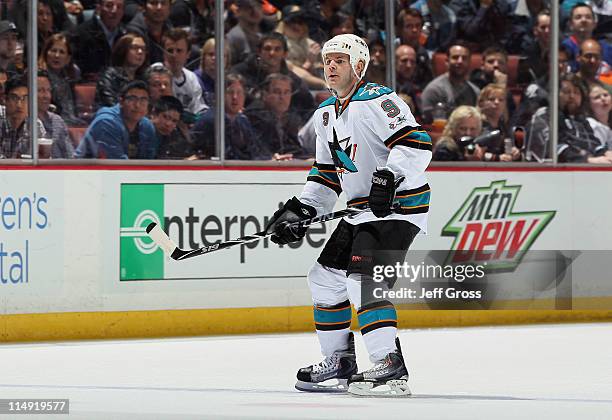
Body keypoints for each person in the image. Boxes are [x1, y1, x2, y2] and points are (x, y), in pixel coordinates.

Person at [264, 34, 432, 397]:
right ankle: (340, 361)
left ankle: (390, 365)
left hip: (398, 209)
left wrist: (390, 176)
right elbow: (326, 174)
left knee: (362, 281)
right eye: (327, 61)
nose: (330, 67)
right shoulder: (325, 114)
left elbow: (416, 143)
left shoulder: (377, 99)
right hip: (360, 212)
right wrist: (303, 210)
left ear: (359, 65)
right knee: (323, 279)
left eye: (339, 60)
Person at [192, 73, 267, 160]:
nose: (235, 97)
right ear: (220, 95)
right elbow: (229, 157)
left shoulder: (243, 120)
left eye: (239, 92)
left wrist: (272, 159)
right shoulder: (213, 120)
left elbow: (256, 150)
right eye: (230, 92)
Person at [75, 80, 157, 159]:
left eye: (143, 100)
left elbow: (150, 161)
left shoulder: (147, 126)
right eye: (132, 99)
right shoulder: (106, 123)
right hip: (86, 171)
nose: (137, 105)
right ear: (121, 102)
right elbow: (117, 165)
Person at [421, 41, 480, 118]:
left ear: (469, 62)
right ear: (447, 61)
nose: (460, 61)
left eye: (464, 58)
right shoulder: (434, 90)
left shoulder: (475, 91)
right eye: (455, 57)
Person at [156, 27, 207, 116]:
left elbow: (198, 108)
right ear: (163, 53)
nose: (174, 55)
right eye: (170, 50)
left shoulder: (191, 78)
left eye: (179, 51)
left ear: (188, 54)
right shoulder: (156, 72)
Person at [72, 0, 127, 79]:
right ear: (98, 8)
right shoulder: (81, 34)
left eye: (119, 7)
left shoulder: (125, 35)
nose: (115, 11)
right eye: (109, 6)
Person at [38, 33, 83, 126]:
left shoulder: (69, 79)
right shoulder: (38, 76)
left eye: (62, 52)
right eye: (53, 51)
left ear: (68, 58)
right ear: (46, 53)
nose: (57, 55)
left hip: (71, 122)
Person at [95, 33, 148, 108]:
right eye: (134, 47)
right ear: (123, 50)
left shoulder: (143, 79)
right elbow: (110, 103)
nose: (140, 52)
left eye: (143, 49)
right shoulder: (110, 75)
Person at [0, 76, 46, 159]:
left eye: (25, 98)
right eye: (14, 98)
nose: (19, 105)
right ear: (4, 100)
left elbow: (42, 159)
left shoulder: (35, 125)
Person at [37, 71, 75, 159]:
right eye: (40, 90)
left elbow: (70, 157)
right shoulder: (22, 121)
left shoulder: (57, 121)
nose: (46, 95)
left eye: (48, 90)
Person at [586, 82, 612, 149]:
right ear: (589, 104)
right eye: (597, 97)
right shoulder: (590, 125)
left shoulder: (609, 126)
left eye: (606, 95)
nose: (603, 99)